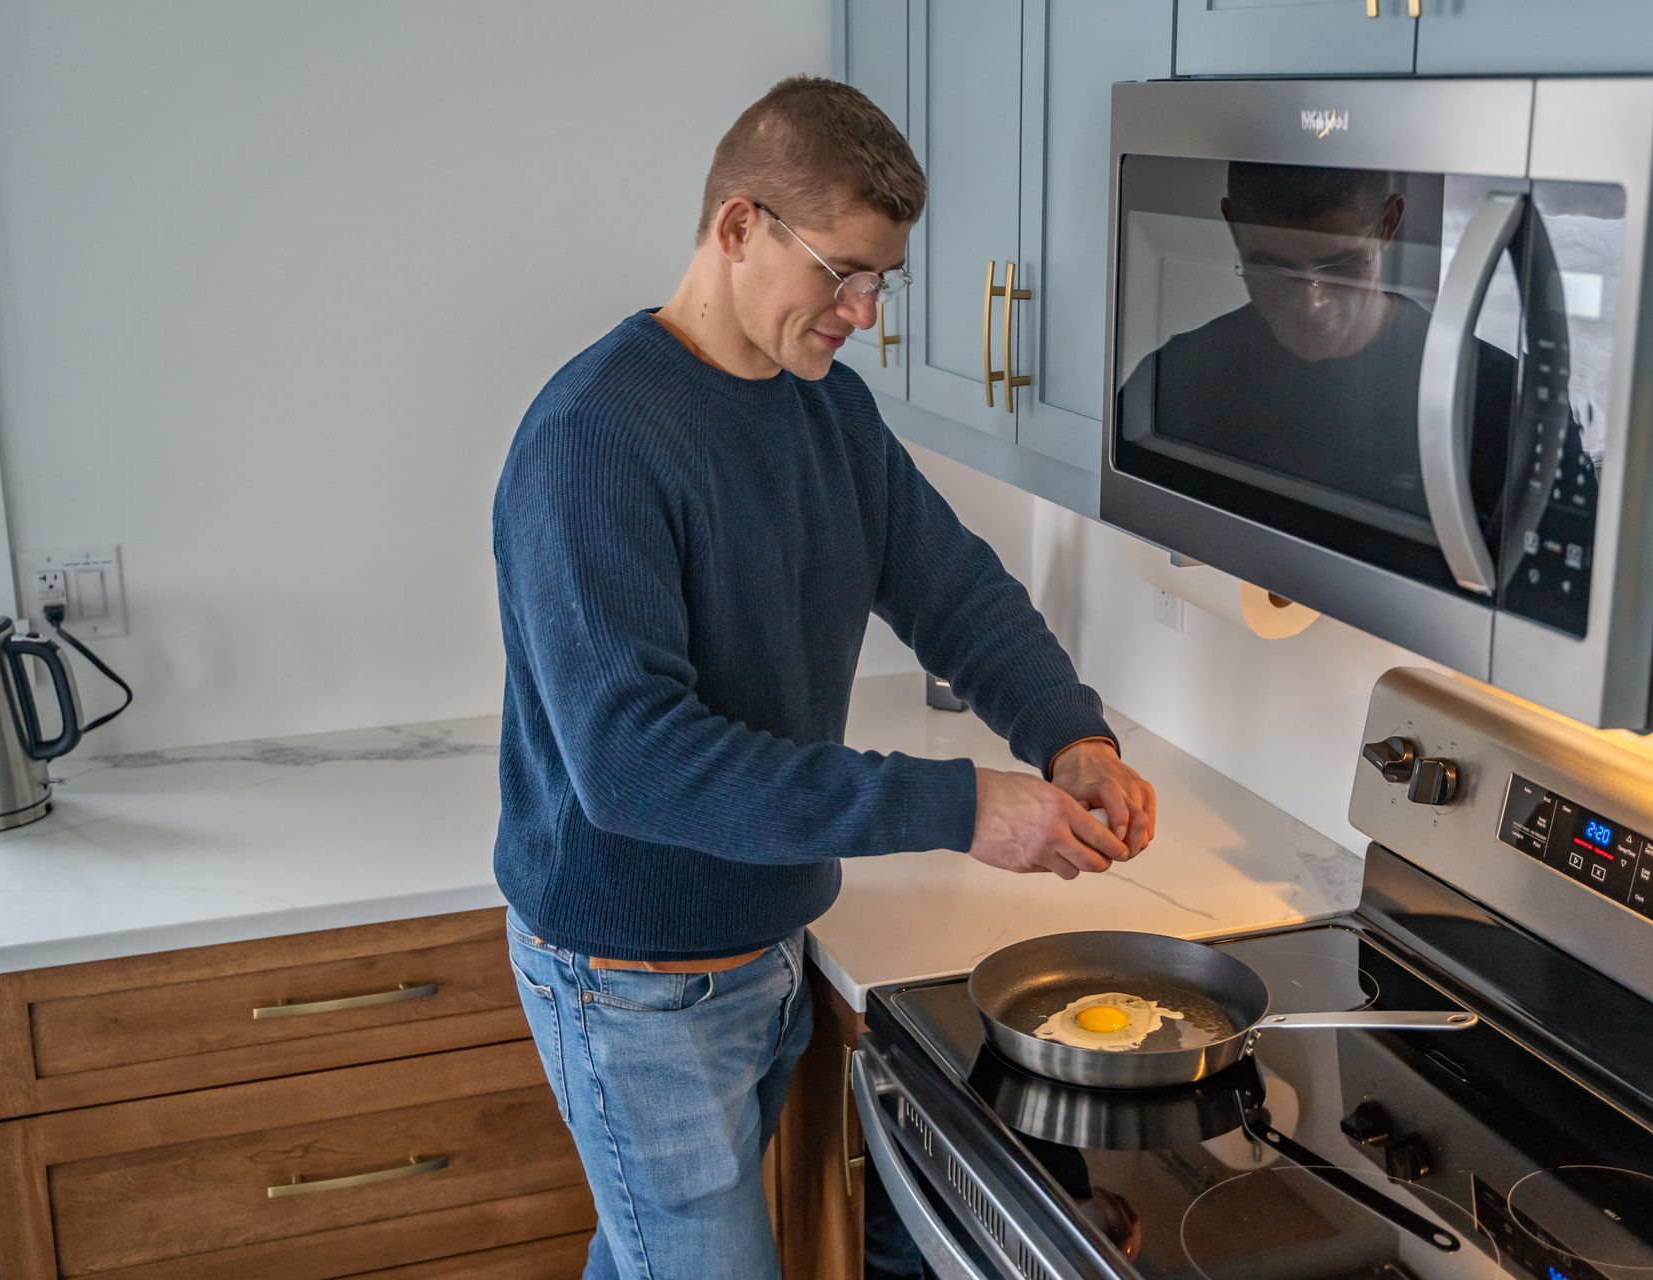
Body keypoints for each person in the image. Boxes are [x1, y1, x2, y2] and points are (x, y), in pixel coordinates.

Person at [491, 75, 1158, 1280]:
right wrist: (956, 804)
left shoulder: (830, 418)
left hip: (765, 946)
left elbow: (952, 589)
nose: (863, 310)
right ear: (738, 225)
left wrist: (1071, 736)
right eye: (840, 272)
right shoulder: (596, 437)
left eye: (879, 281)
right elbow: (636, 762)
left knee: (649, 1250)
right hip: (630, 984)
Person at [1118, 162, 1514, 539]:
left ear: (1387, 225)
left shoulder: (1497, 401)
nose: (1310, 305)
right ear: (1234, 229)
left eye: (1341, 266)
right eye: (1273, 268)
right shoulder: (1172, 383)